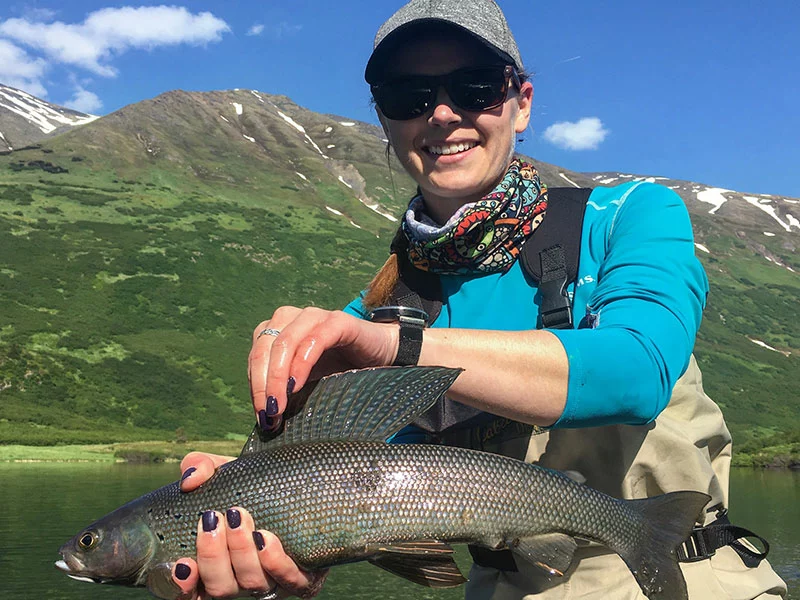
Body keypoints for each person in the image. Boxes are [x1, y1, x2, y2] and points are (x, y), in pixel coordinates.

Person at [168, 1, 788, 599]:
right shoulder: (376, 311)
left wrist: (399, 345)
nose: (441, 114)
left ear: (522, 104)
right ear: (385, 119)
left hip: (686, 581)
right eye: (408, 96)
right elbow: (374, 483)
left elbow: (637, 369)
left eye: (475, 87)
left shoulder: (629, 215)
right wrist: (276, 504)